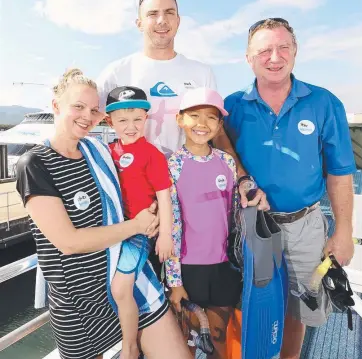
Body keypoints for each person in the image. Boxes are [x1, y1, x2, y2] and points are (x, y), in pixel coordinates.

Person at [16, 69, 191, 359]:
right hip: (79, 302)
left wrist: (157, 211)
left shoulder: (97, 151)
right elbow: (68, 242)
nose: (87, 115)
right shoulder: (35, 164)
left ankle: (131, 346)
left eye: (94, 109)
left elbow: (137, 184)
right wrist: (136, 225)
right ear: (56, 106)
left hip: (128, 278)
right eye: (78, 106)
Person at [222, 18, 356, 359]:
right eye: (264, 49)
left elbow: (340, 173)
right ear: (249, 58)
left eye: (283, 47)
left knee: (300, 308)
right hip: (251, 226)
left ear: (295, 53)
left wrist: (343, 232)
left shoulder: (324, 103)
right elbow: (220, 148)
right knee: (251, 302)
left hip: (305, 226)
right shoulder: (232, 106)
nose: (274, 56)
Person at [96, 0, 269, 211]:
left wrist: (243, 178)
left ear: (178, 21)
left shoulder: (201, 73)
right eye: (152, 14)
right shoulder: (116, 72)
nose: (162, 20)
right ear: (138, 23)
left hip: (189, 191)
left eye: (169, 13)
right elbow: (85, 121)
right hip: (134, 196)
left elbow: (218, 134)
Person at [165, 87, 242, 359]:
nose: (202, 124)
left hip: (224, 267)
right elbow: (171, 226)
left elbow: (233, 216)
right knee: (186, 343)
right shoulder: (172, 166)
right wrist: (175, 281)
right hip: (188, 269)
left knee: (219, 343)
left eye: (211, 118)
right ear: (180, 119)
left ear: (220, 125)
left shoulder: (226, 162)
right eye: (194, 115)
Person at [105, 85, 173, 359]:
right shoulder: (107, 151)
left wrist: (166, 234)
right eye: (122, 120)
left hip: (139, 231)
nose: (130, 126)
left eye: (137, 119)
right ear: (109, 122)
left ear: (146, 118)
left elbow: (164, 198)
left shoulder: (152, 154)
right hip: (113, 228)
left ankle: (130, 346)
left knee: (121, 289)